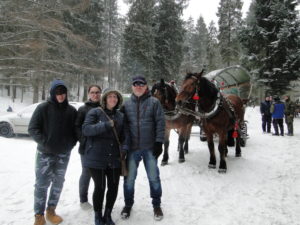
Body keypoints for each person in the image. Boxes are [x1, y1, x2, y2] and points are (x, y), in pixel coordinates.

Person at [28, 79, 77, 225]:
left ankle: (51, 210)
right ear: (52, 93)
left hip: (63, 154)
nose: (61, 95)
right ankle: (39, 215)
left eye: (63, 92)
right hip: (45, 153)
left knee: (58, 183)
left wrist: (70, 144)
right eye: (57, 92)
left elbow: (75, 132)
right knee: (41, 184)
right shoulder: (43, 108)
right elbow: (32, 128)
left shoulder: (71, 111)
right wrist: (45, 143)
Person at [120, 75, 165, 221]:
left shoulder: (154, 102)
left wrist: (159, 142)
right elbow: (121, 125)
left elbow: (160, 123)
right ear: (132, 87)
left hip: (150, 148)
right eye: (135, 84)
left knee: (154, 178)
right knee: (129, 179)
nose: (138, 86)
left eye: (141, 84)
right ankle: (128, 205)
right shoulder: (126, 105)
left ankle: (156, 205)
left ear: (146, 86)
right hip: (132, 149)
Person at [82, 88, 124, 225]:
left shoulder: (120, 116)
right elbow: (86, 130)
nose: (113, 99)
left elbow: (125, 136)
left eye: (115, 97)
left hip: (114, 159)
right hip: (96, 158)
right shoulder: (95, 112)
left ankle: (107, 215)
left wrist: (125, 147)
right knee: (99, 188)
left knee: (113, 187)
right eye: (110, 96)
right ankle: (98, 215)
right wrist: (105, 125)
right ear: (105, 99)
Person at [75, 85, 102, 208]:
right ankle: (83, 199)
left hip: (102, 148)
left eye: (97, 92)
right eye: (92, 92)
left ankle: (99, 198)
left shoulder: (104, 107)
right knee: (86, 173)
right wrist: (83, 140)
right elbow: (76, 127)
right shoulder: (83, 109)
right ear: (88, 94)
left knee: (100, 174)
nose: (95, 95)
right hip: (86, 148)